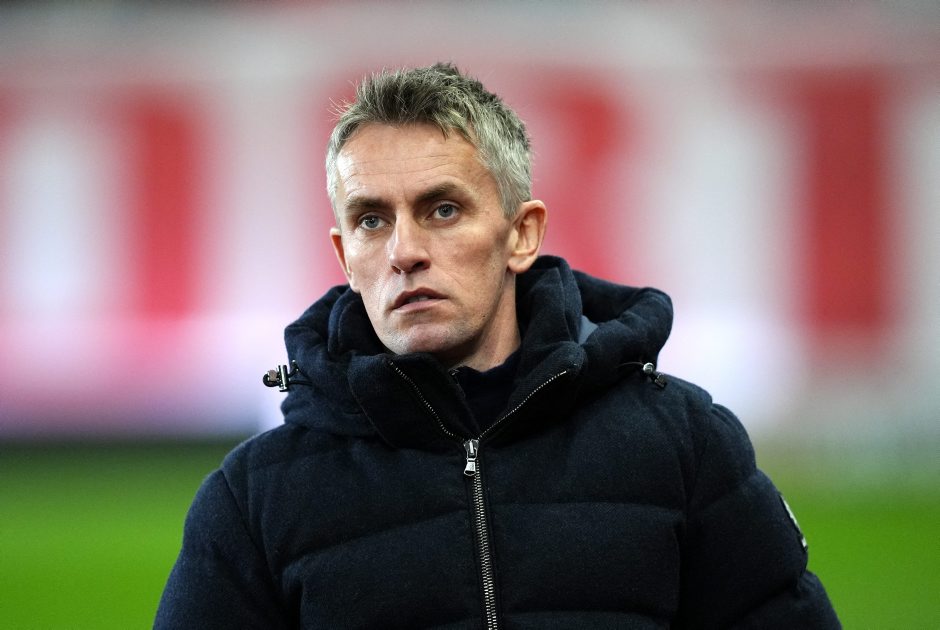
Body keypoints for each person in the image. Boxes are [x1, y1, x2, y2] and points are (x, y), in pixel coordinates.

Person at [155, 62, 840, 629]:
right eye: (371, 220)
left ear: (521, 234)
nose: (404, 251)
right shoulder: (255, 499)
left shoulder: (685, 446)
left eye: (442, 209)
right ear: (344, 256)